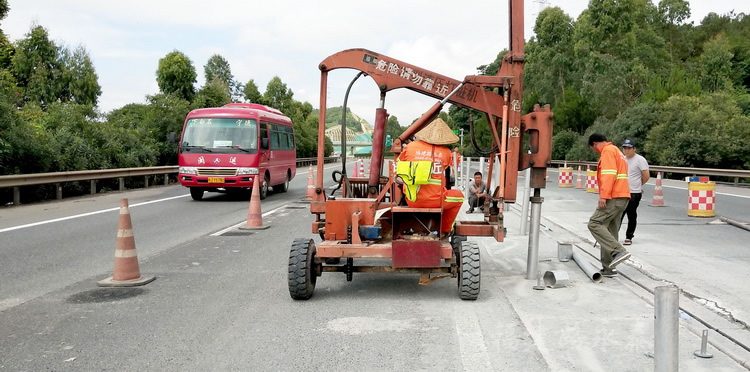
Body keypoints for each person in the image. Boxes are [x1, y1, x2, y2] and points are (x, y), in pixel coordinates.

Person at [396, 118, 464, 235]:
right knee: (459, 197)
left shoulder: (410, 147)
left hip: (412, 200)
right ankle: (445, 229)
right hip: (437, 201)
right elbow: (445, 167)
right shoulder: (446, 152)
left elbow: (399, 162)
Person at [587, 133, 631, 277]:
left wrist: (604, 196)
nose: (595, 151)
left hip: (614, 196)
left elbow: (609, 174)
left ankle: (618, 251)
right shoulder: (617, 151)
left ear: (594, 144)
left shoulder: (607, 151)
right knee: (610, 230)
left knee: (594, 223)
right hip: (622, 196)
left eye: (592, 148)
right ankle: (608, 267)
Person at [620, 139, 649, 246]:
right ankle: (613, 235)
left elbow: (646, 175)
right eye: (624, 148)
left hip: (634, 192)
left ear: (634, 149)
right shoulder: (622, 159)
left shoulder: (640, 160)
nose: (626, 150)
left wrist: (638, 185)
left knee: (631, 214)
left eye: (629, 148)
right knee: (619, 214)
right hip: (621, 191)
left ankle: (629, 236)